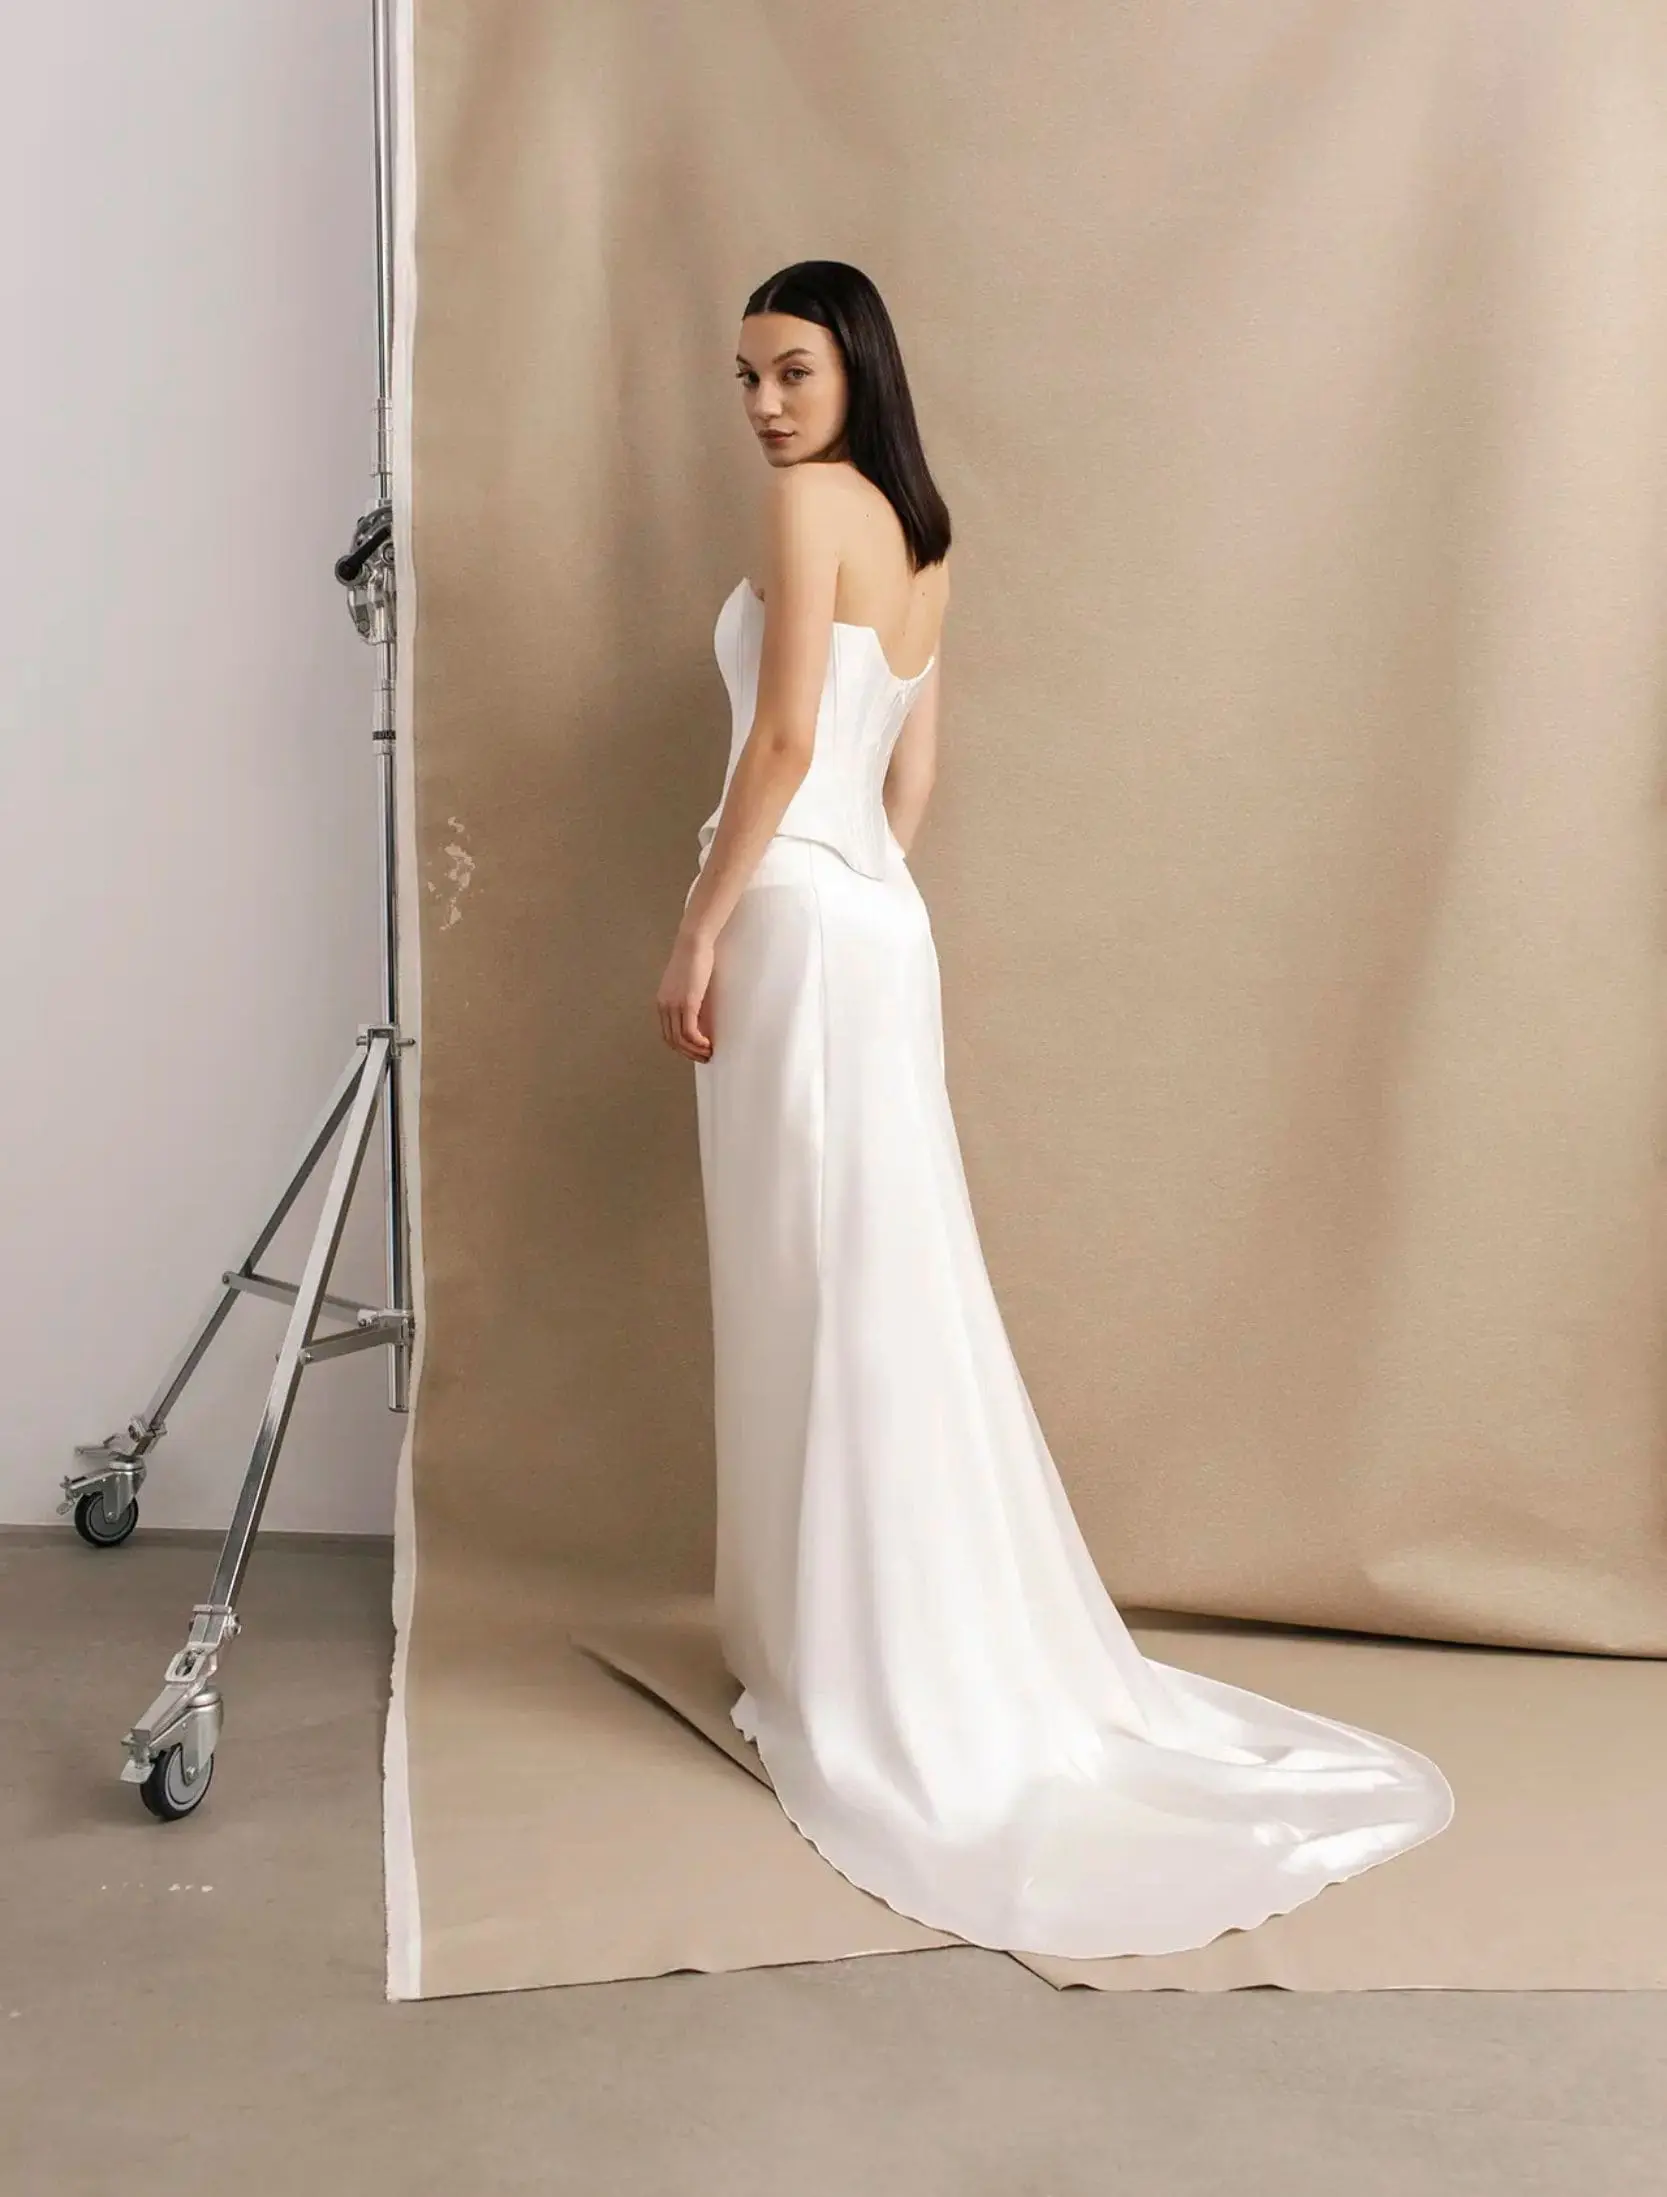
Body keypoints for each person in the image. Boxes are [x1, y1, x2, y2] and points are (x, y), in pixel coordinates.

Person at [655, 259, 1453, 1958]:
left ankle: (846, 1659)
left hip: (795, 917)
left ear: (854, 371)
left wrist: (703, 928)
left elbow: (785, 741)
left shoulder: (809, 506)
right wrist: (860, 898)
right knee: (879, 1283)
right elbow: (912, 777)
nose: (765, 407)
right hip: (878, 930)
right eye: (745, 378)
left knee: (815, 1280)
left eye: (791, 371)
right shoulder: (926, 538)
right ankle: (886, 1642)